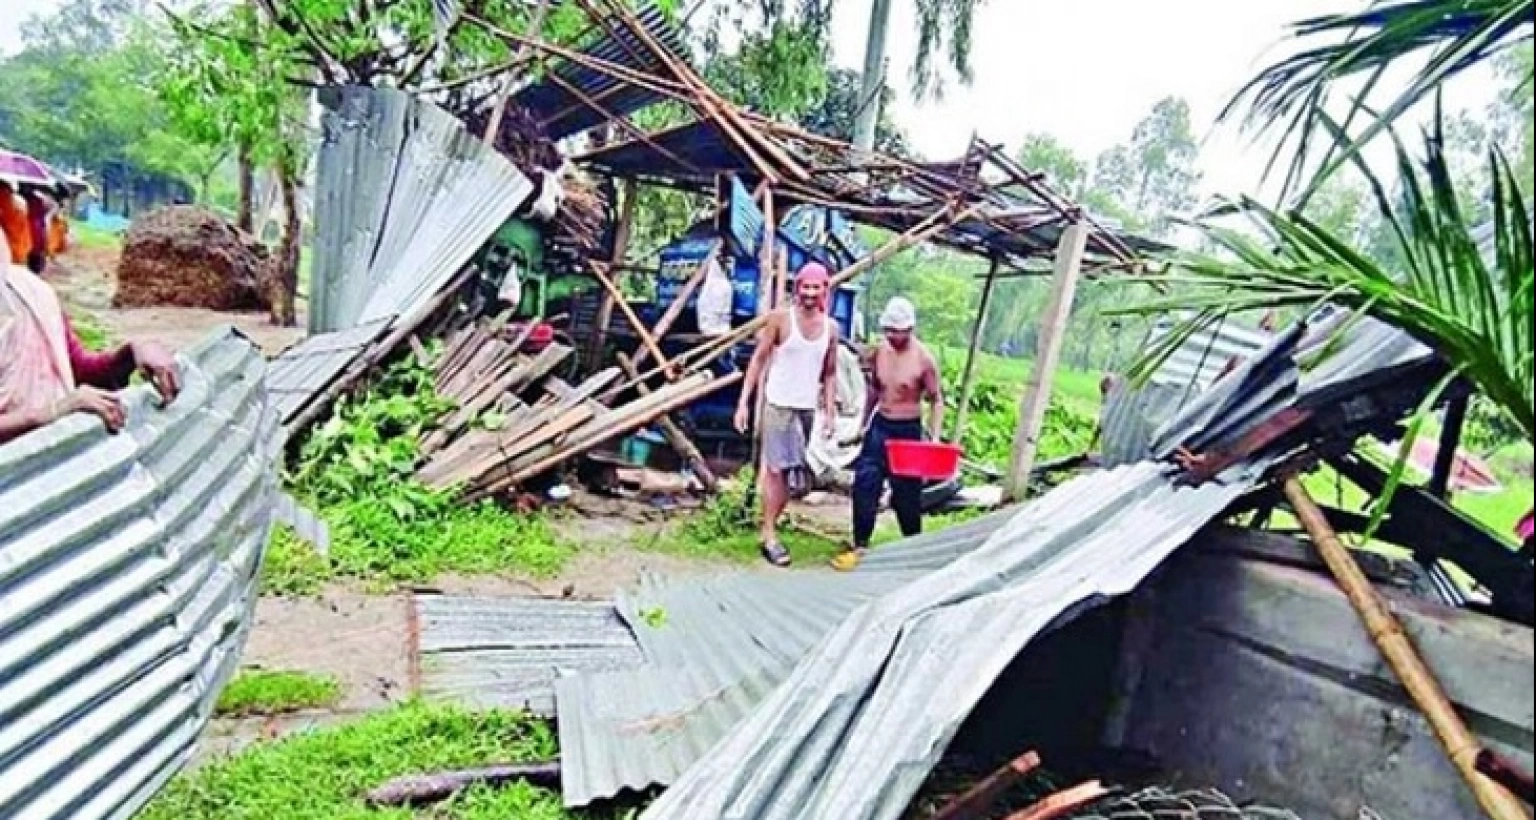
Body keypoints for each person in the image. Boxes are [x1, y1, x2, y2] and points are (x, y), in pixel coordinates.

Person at [0, 260, 180, 444]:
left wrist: (134, 352)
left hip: (55, 457)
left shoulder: (31, 293)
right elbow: (58, 408)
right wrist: (47, 413)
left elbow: (80, 371)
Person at [734, 262, 840, 567]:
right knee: (776, 469)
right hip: (778, 402)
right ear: (797, 289)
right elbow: (758, 360)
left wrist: (829, 412)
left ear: (824, 290)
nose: (809, 293)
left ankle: (770, 523)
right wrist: (744, 402)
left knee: (796, 474)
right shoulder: (781, 319)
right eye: (804, 287)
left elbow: (830, 373)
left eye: (815, 287)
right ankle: (769, 535)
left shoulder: (830, 329)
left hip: (806, 407)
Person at [834, 296, 943, 572]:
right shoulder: (879, 352)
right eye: (890, 331)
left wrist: (935, 437)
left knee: (907, 496)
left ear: (910, 329)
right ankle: (860, 543)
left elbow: (936, 399)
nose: (894, 336)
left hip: (907, 433)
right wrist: (862, 424)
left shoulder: (923, 359)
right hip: (880, 427)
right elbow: (874, 390)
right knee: (865, 484)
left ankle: (913, 547)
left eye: (900, 331)